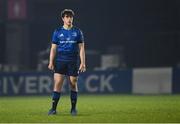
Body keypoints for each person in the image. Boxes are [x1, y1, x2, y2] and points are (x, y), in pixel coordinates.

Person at [48, 9, 86, 116]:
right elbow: (53, 48)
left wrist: (83, 62)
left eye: (71, 17)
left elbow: (82, 48)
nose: (69, 19)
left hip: (73, 61)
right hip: (60, 60)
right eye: (67, 17)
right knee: (58, 83)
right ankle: (53, 109)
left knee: (73, 83)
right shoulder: (57, 31)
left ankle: (73, 109)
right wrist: (51, 61)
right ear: (63, 18)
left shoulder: (78, 32)